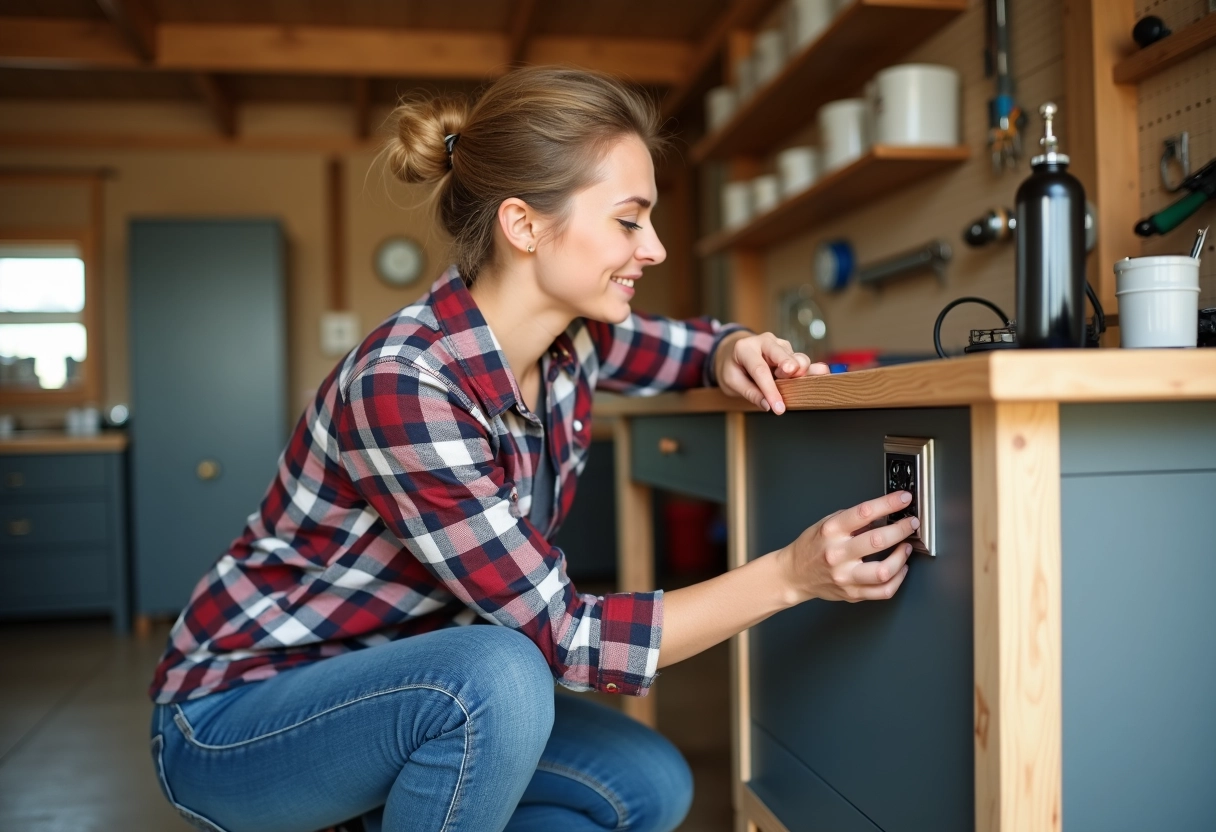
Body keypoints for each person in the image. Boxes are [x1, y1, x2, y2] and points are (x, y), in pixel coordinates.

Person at [147, 66, 918, 832]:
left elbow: (691, 348)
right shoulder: (406, 384)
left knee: (646, 783)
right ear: (522, 226)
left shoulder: (571, 341)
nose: (653, 247)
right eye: (628, 220)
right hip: (235, 716)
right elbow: (569, 640)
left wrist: (737, 348)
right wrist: (793, 574)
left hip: (403, 690)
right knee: (503, 674)